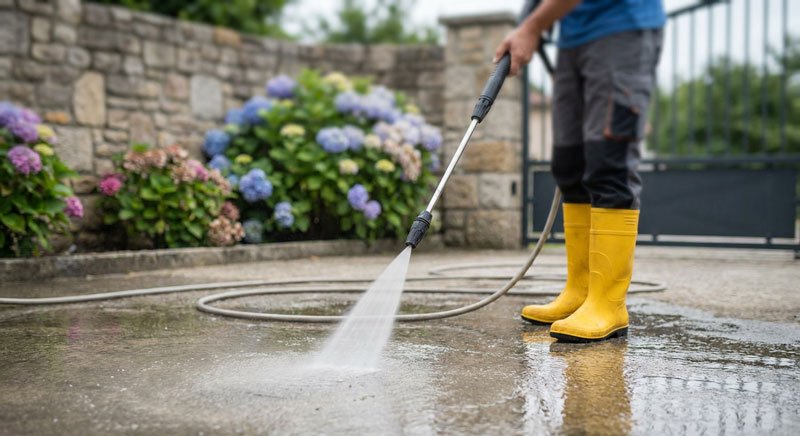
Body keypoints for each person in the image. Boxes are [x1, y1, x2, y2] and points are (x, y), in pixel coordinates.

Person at [495, 0, 665, 341]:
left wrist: (531, 27)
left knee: (608, 160)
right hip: (573, 38)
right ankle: (580, 293)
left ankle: (608, 303)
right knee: (569, 165)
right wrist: (533, 17)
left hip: (622, 27)